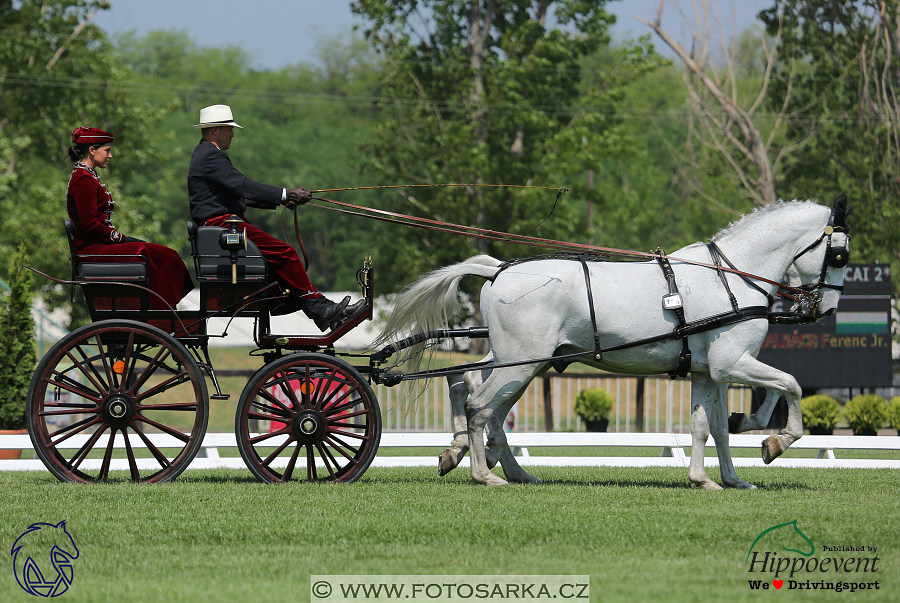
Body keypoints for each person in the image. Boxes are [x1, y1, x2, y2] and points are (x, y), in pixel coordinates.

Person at [187, 104, 362, 331]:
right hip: (223, 227)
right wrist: (285, 194)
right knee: (285, 254)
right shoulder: (211, 157)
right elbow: (244, 186)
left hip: (223, 226)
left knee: (279, 258)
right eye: (229, 129)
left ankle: (317, 304)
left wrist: (281, 200)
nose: (233, 134)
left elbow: (235, 195)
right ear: (215, 131)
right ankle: (318, 309)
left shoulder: (204, 155)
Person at [66, 127, 194, 310]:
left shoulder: (87, 176)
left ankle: (161, 309)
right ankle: (159, 312)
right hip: (92, 250)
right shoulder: (83, 179)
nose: (110, 155)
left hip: (99, 246)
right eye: (107, 150)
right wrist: (121, 238)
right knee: (158, 254)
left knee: (163, 253)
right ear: (92, 151)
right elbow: (90, 224)